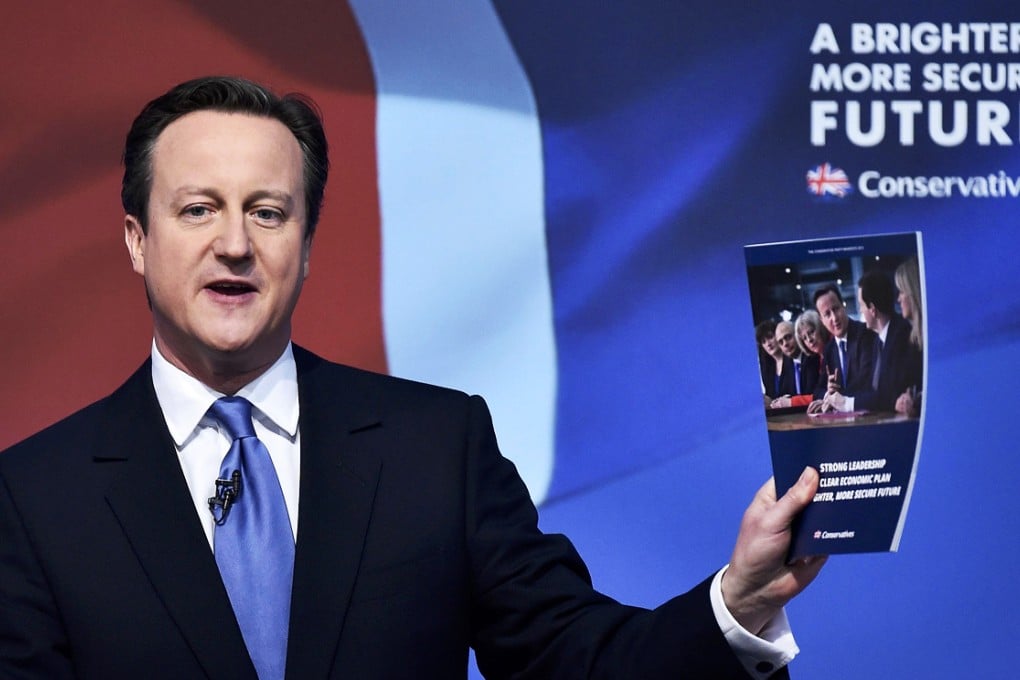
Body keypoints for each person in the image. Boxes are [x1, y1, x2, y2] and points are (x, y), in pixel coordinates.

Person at [0, 76, 824, 679]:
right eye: (197, 209)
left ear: (308, 246)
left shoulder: (438, 447)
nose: (236, 244)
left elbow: (574, 661)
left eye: (268, 211)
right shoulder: (34, 498)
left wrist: (739, 604)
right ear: (138, 241)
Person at [809, 284, 880, 414]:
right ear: (821, 320)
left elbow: (866, 382)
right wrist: (827, 393)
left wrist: (835, 397)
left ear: (843, 305)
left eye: (836, 309)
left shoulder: (866, 334)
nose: (834, 318)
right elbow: (818, 390)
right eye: (827, 314)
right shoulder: (829, 349)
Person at [855, 270, 915, 411]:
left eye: (861, 305)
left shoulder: (902, 334)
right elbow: (870, 388)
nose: (861, 310)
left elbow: (888, 395)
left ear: (872, 309)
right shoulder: (877, 341)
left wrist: (846, 403)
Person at [893, 257, 924, 417]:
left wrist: (916, 403)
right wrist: (905, 398)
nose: (898, 299)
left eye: (901, 291)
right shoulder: (913, 340)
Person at [769, 319, 820, 410]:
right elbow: (784, 393)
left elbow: (814, 395)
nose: (785, 344)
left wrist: (791, 401)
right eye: (781, 342)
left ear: (797, 336)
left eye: (788, 337)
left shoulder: (812, 356)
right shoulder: (788, 363)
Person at [755, 319, 784, 404]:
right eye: (764, 342)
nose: (768, 344)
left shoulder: (791, 361)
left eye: (770, 337)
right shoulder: (767, 368)